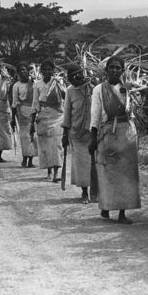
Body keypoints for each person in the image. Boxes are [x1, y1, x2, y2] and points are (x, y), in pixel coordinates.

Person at [89, 56, 140, 224]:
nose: (115, 70)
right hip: (107, 133)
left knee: (126, 173)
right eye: (112, 67)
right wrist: (93, 137)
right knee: (107, 171)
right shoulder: (98, 89)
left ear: (123, 70)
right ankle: (106, 205)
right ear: (106, 70)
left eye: (118, 68)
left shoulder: (128, 88)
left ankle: (122, 212)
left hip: (126, 134)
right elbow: (95, 114)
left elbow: (131, 112)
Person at [62, 63, 93, 203]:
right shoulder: (69, 90)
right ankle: (85, 192)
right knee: (81, 164)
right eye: (70, 78)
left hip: (93, 132)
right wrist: (64, 133)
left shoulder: (92, 87)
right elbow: (67, 112)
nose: (74, 80)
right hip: (76, 132)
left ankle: (97, 191)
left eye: (76, 76)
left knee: (95, 162)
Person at [31, 61, 66, 182]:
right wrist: (32, 122)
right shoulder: (37, 84)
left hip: (57, 116)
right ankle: (49, 171)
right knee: (45, 146)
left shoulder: (58, 81)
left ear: (53, 70)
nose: (47, 72)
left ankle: (56, 172)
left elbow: (65, 96)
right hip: (43, 116)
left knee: (56, 145)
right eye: (44, 70)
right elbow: (35, 103)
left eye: (49, 70)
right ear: (41, 71)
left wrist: (59, 85)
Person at [11, 62, 38, 167]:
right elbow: (14, 102)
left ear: (28, 71)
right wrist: (13, 118)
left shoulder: (34, 84)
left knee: (32, 136)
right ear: (18, 73)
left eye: (24, 70)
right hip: (22, 112)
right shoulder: (16, 86)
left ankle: (30, 160)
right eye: (20, 70)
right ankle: (24, 158)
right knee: (24, 136)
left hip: (34, 112)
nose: (23, 72)